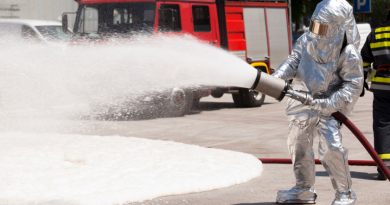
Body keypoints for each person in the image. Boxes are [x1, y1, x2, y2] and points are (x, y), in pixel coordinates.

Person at [272, 0, 363, 204]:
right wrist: (276, 78)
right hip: (302, 103)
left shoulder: (348, 52)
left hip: (330, 108)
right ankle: (303, 190)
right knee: (298, 145)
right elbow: (293, 61)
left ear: (338, 28)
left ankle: (344, 193)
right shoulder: (306, 40)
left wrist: (329, 104)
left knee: (331, 148)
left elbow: (353, 85)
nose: (316, 31)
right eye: (315, 24)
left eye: (323, 26)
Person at [360, 9, 390, 181]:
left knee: (382, 127)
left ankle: (383, 168)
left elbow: (363, 61)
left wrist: (362, 82)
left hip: (382, 89)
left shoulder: (376, 33)